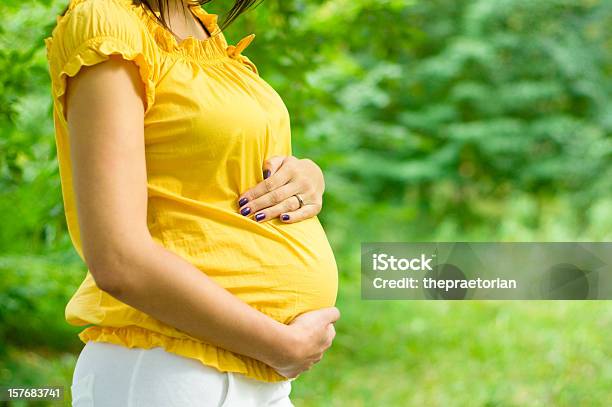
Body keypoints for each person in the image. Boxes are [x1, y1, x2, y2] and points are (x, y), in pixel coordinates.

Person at [44, 0, 340, 405]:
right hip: (168, 367)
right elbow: (117, 258)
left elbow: (212, 167)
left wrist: (306, 177)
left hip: (245, 374)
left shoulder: (200, 27)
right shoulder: (105, 24)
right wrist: (281, 346)